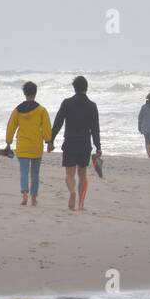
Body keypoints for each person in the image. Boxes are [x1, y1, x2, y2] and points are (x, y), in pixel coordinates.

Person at [49, 75, 101, 211]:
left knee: (69, 174)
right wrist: (98, 147)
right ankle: (81, 203)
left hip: (70, 142)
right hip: (84, 143)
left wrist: (51, 140)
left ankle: (72, 192)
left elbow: (58, 123)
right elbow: (95, 129)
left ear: (74, 88)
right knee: (82, 174)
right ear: (86, 88)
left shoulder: (67, 103)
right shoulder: (92, 106)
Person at [4, 81, 52, 206]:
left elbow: (11, 127)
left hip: (22, 145)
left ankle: (24, 194)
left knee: (24, 171)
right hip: (36, 146)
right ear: (35, 93)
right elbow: (47, 127)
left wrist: (8, 142)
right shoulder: (41, 110)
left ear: (24, 93)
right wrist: (48, 142)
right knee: (35, 173)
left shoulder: (17, 110)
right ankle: (34, 198)